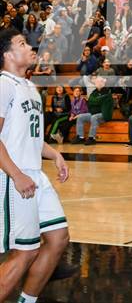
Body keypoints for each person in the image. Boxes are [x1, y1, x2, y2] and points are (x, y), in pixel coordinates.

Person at [0, 28, 70, 302]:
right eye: (21, 43)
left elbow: (30, 137)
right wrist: (16, 175)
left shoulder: (28, 86)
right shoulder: (3, 84)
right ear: (7, 54)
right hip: (13, 177)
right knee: (26, 251)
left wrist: (55, 155)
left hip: (35, 175)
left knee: (58, 238)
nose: (30, 47)